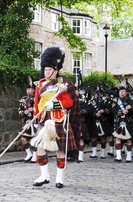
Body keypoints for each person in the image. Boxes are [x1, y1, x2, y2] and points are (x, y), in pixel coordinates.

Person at [32, 47, 78, 188]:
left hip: (59, 121)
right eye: (45, 69)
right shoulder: (40, 85)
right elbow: (36, 104)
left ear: (55, 70)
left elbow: (69, 102)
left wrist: (55, 104)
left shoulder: (62, 84)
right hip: (45, 121)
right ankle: (44, 175)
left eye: (49, 70)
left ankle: (59, 178)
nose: (46, 72)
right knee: (40, 147)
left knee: (59, 150)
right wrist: (35, 119)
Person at [111, 86, 133, 162]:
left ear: (126, 93)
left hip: (128, 122)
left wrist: (131, 108)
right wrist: (121, 111)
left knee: (128, 139)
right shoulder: (116, 101)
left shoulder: (131, 101)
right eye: (120, 92)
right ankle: (118, 156)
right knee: (118, 138)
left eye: (123, 92)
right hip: (119, 122)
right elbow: (113, 110)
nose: (122, 93)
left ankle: (129, 156)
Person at [18, 83, 37, 163]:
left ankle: (35, 156)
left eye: (30, 89)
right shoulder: (23, 99)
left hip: (36, 121)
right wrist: (24, 112)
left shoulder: (38, 98)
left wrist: (34, 109)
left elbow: (42, 108)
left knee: (35, 139)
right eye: (27, 89)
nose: (28, 91)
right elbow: (19, 110)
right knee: (23, 138)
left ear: (33, 90)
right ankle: (29, 154)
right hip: (27, 121)